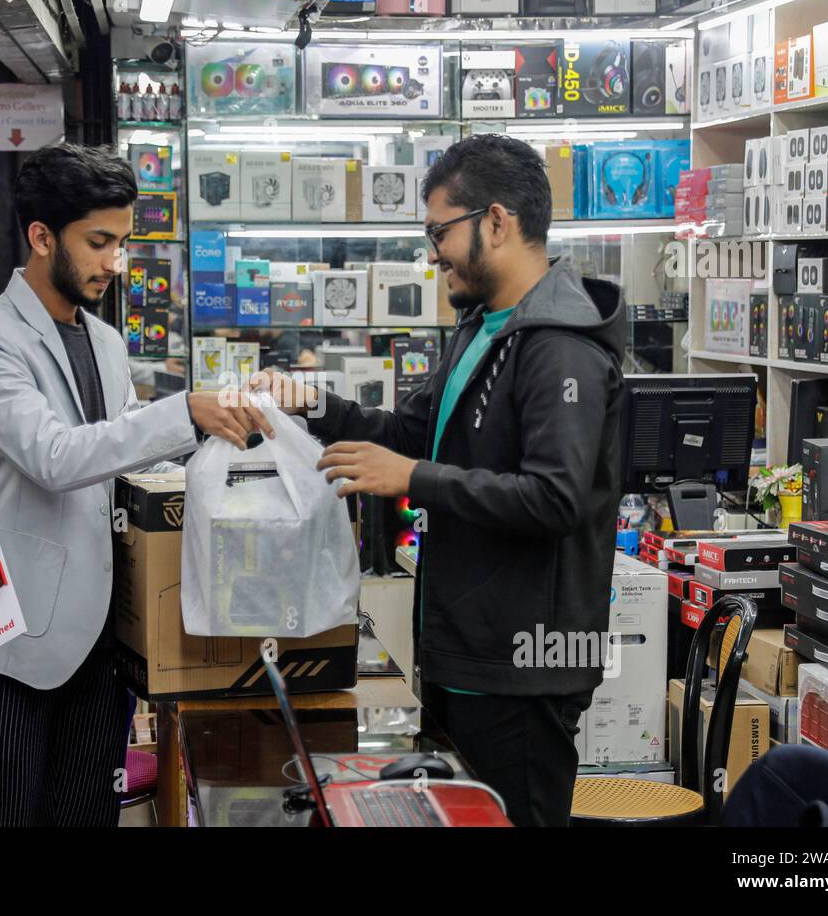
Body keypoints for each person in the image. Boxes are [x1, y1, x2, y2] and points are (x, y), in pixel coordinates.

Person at [254, 134, 627, 826]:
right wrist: (317, 405)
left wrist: (413, 479)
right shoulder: (482, 327)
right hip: (467, 650)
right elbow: (411, 436)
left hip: (524, 664)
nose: (432, 254)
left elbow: (556, 497)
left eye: (439, 232)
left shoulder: (560, 347)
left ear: (496, 221)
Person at [0, 143, 269, 827]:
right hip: (14, 647)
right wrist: (182, 409)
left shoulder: (105, 341)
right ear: (41, 237)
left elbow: (122, 458)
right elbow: (55, 457)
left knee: (87, 816)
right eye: (99, 243)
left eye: (122, 242)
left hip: (103, 640)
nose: (114, 263)